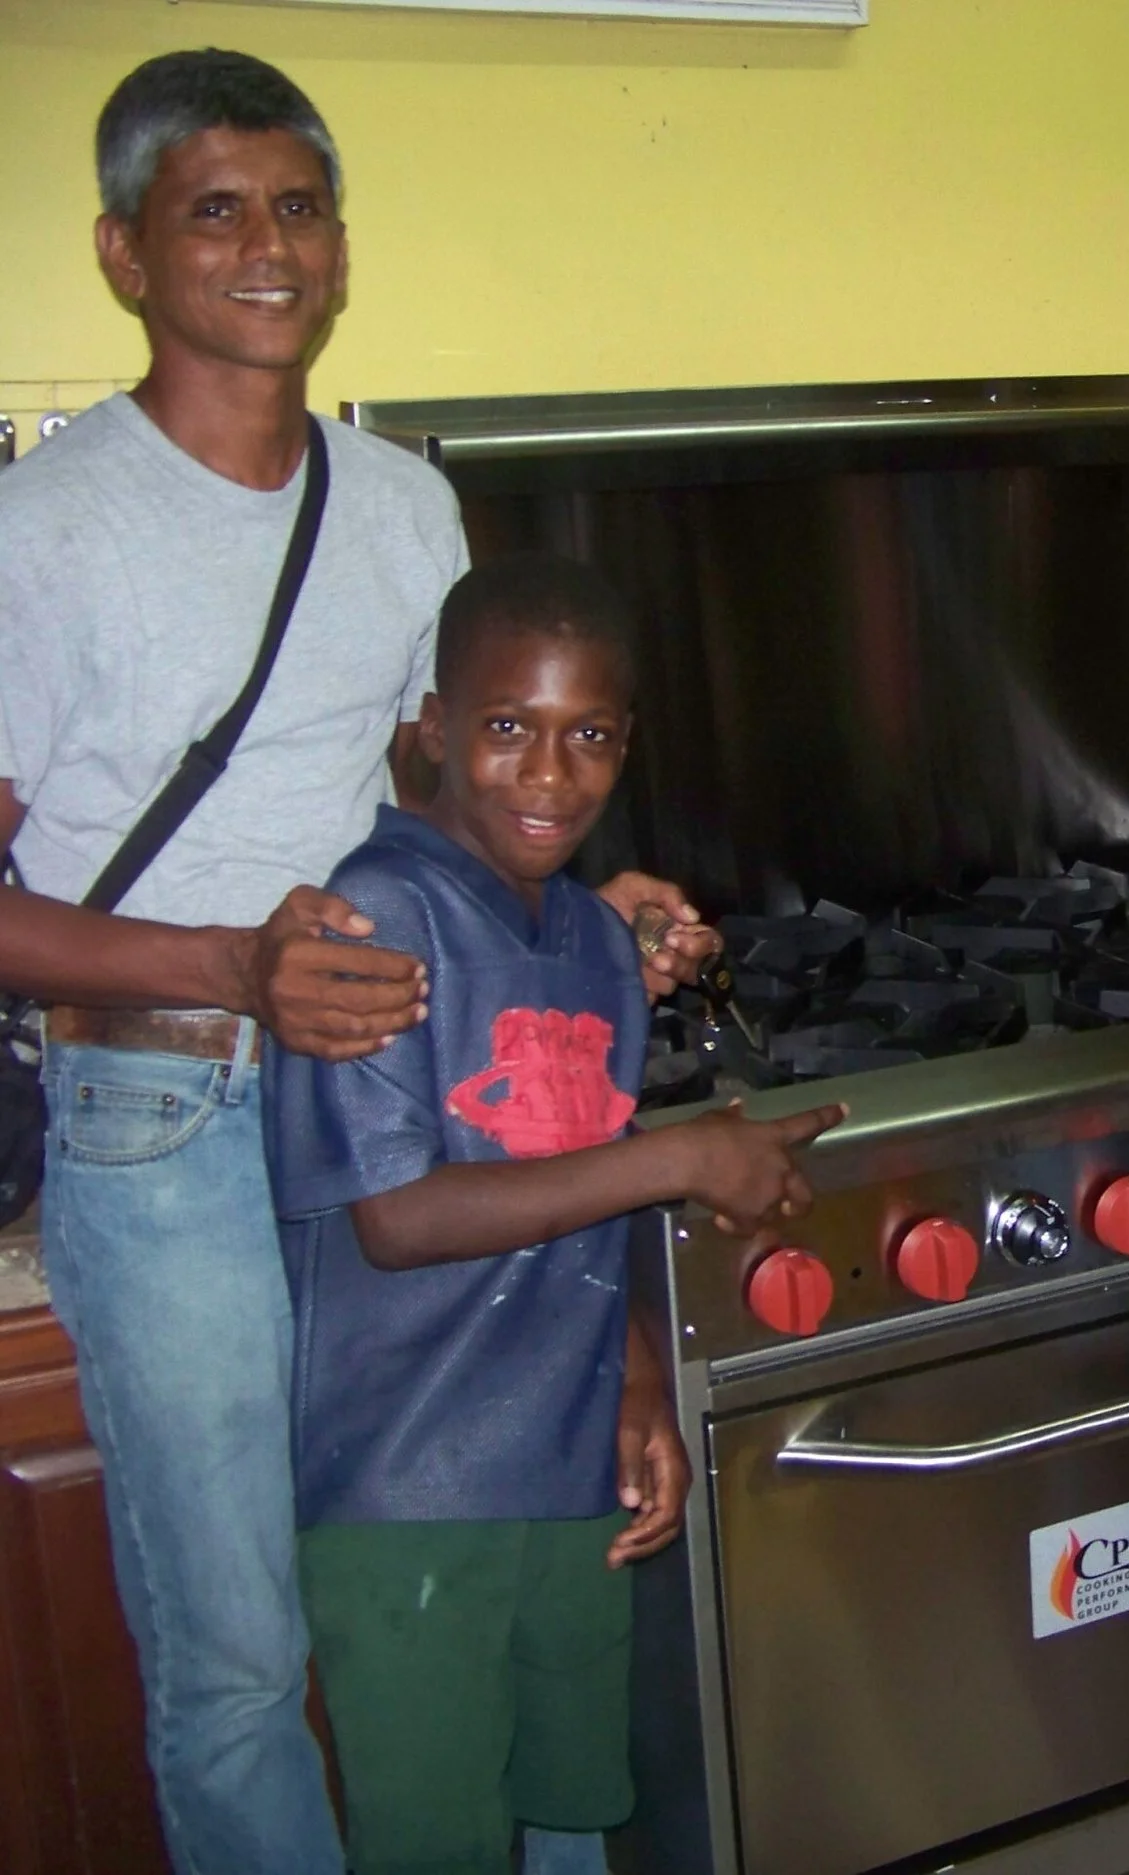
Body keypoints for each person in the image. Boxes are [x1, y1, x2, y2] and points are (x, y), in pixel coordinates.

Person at [0, 51, 707, 1872]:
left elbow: (463, 811)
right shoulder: (40, 528)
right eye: (214, 210)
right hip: (165, 1110)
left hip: (404, 1100)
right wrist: (236, 968)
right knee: (239, 1647)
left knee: (461, 1558)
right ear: (122, 251)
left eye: (299, 208)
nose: (266, 247)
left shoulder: (403, 508)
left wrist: (587, 911)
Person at [264, 553, 845, 1875]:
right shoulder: (375, 915)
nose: (547, 771)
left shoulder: (591, 935)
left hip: (566, 1460)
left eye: (586, 734)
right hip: (409, 1487)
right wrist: (686, 1159)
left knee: (564, 1805)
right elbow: (399, 1218)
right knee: (436, 1835)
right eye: (507, 727)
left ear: (624, 742)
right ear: (434, 728)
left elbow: (575, 1186)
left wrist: (638, 1381)